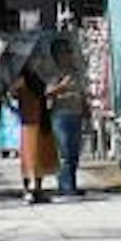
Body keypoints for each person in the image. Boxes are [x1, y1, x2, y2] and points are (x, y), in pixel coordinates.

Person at [49, 40, 92, 198]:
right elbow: (48, 93)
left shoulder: (75, 72)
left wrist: (87, 110)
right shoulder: (53, 73)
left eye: (69, 52)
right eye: (64, 52)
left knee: (74, 152)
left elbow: (82, 93)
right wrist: (61, 87)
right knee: (64, 151)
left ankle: (72, 183)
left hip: (76, 113)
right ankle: (65, 186)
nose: (68, 56)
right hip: (61, 114)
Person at [11, 60, 54, 203]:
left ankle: (38, 188)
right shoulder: (21, 80)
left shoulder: (38, 78)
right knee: (29, 157)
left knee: (40, 156)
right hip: (29, 121)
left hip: (41, 119)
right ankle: (28, 189)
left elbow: (44, 94)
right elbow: (13, 93)